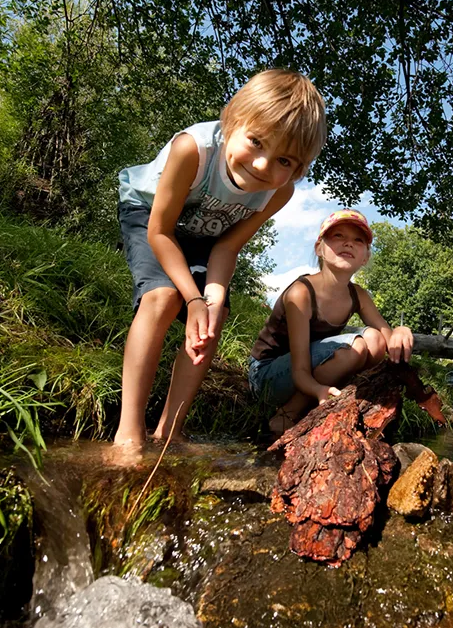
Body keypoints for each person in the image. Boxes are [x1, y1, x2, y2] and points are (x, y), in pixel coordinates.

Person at [114, 69, 327, 446]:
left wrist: (208, 302)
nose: (263, 165)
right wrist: (192, 298)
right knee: (164, 297)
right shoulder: (192, 150)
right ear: (232, 120)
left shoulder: (278, 193)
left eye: (284, 161)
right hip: (152, 217)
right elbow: (160, 233)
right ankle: (128, 433)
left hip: (206, 237)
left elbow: (227, 247)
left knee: (214, 316)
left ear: (298, 169)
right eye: (256, 141)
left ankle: (169, 432)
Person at [249, 209, 414, 436]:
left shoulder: (358, 295)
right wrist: (318, 390)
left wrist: (401, 330)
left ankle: (339, 402)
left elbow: (386, 336)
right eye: (338, 236)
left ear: (365, 256)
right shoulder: (301, 293)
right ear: (320, 248)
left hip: (313, 370)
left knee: (374, 340)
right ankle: (287, 415)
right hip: (268, 375)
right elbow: (299, 370)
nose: (348, 243)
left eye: (358, 240)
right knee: (353, 347)